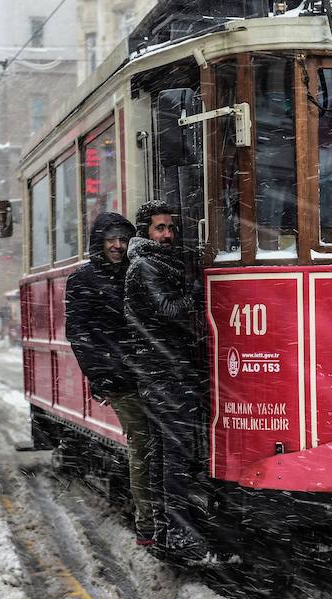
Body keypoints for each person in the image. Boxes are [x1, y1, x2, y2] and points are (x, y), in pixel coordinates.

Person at [65, 212, 155, 547]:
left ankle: (161, 515)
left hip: (151, 374)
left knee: (157, 443)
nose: (117, 246)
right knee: (143, 443)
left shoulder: (137, 272)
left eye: (122, 239)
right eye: (110, 240)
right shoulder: (83, 280)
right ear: (98, 244)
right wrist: (102, 375)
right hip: (120, 379)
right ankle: (146, 524)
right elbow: (79, 335)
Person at [124, 200, 207, 561]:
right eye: (160, 228)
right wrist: (197, 293)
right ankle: (176, 533)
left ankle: (164, 531)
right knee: (173, 455)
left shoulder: (153, 262)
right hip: (163, 374)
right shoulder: (145, 265)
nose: (168, 234)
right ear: (145, 232)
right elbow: (170, 311)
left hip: (163, 372)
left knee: (165, 454)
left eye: (171, 228)